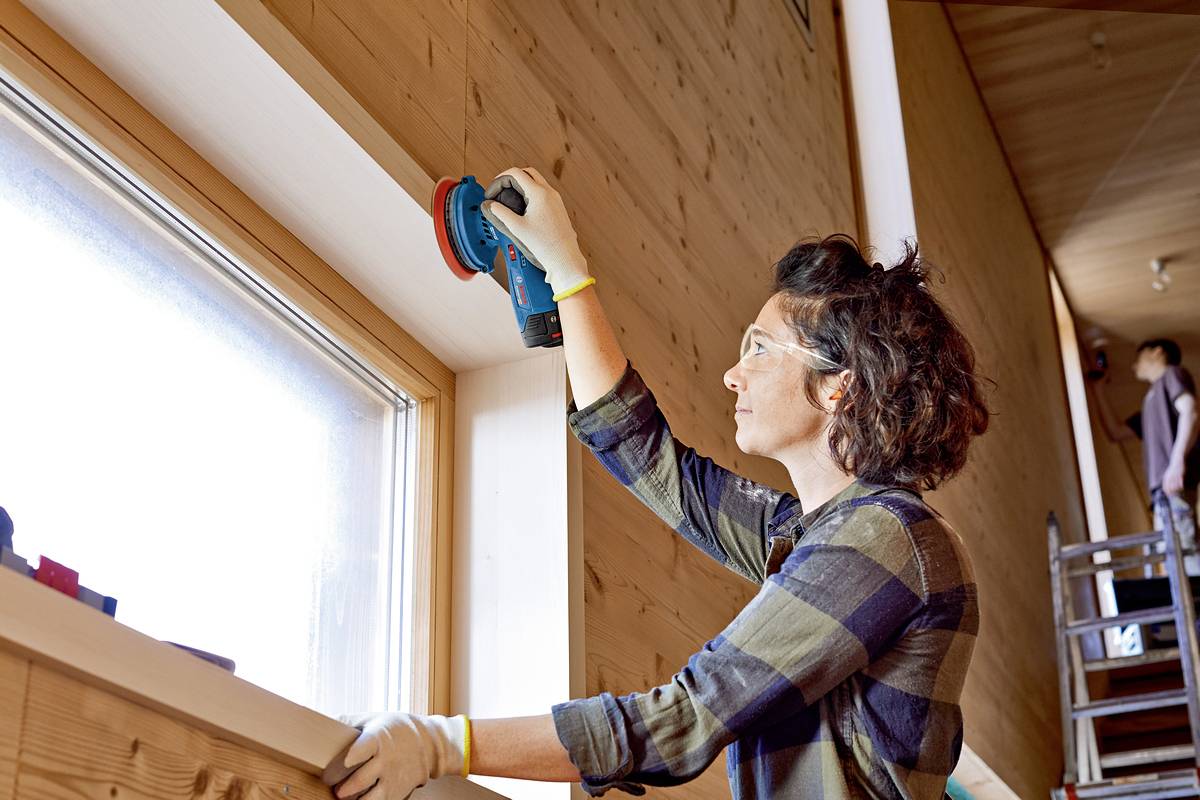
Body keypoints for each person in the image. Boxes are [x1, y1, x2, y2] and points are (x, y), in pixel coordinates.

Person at [327, 167, 991, 800]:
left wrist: (440, 743)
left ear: (838, 385)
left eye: (759, 348)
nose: (734, 375)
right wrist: (568, 275)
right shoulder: (820, 536)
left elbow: (687, 717)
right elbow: (654, 462)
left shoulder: (890, 540)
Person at [1120, 339, 1200, 576]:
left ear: (1157, 352)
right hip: (1161, 490)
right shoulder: (1149, 403)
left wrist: (1176, 462)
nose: (1134, 366)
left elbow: (1190, 411)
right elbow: (1115, 432)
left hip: (1173, 481)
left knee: (1184, 550)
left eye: (1139, 357)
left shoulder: (1172, 375)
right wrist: (1098, 388)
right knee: (1172, 555)